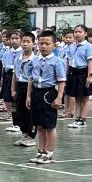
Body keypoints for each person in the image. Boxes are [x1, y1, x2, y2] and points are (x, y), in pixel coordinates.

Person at [27, 30, 66, 165]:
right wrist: (28, 96)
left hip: (48, 94)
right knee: (39, 125)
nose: (43, 46)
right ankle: (41, 151)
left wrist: (59, 97)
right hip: (36, 93)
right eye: (41, 43)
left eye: (47, 43)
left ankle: (49, 153)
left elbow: (61, 81)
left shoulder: (57, 61)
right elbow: (31, 79)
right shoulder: (35, 60)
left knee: (49, 125)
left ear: (54, 45)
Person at [66, 24, 92, 131]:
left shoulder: (88, 46)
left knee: (85, 97)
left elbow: (90, 62)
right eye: (76, 32)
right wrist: (66, 75)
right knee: (76, 97)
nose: (77, 34)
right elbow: (68, 61)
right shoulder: (71, 46)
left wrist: (90, 76)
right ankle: (77, 118)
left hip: (84, 72)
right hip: (73, 72)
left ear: (85, 34)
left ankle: (83, 119)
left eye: (80, 32)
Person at [11, 30, 38, 148]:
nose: (25, 44)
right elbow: (14, 74)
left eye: (28, 42)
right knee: (19, 111)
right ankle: (24, 134)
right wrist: (13, 89)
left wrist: (28, 95)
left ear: (33, 43)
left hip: (30, 87)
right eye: (23, 41)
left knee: (29, 112)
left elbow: (32, 78)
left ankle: (31, 136)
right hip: (20, 85)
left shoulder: (35, 59)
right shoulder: (18, 57)